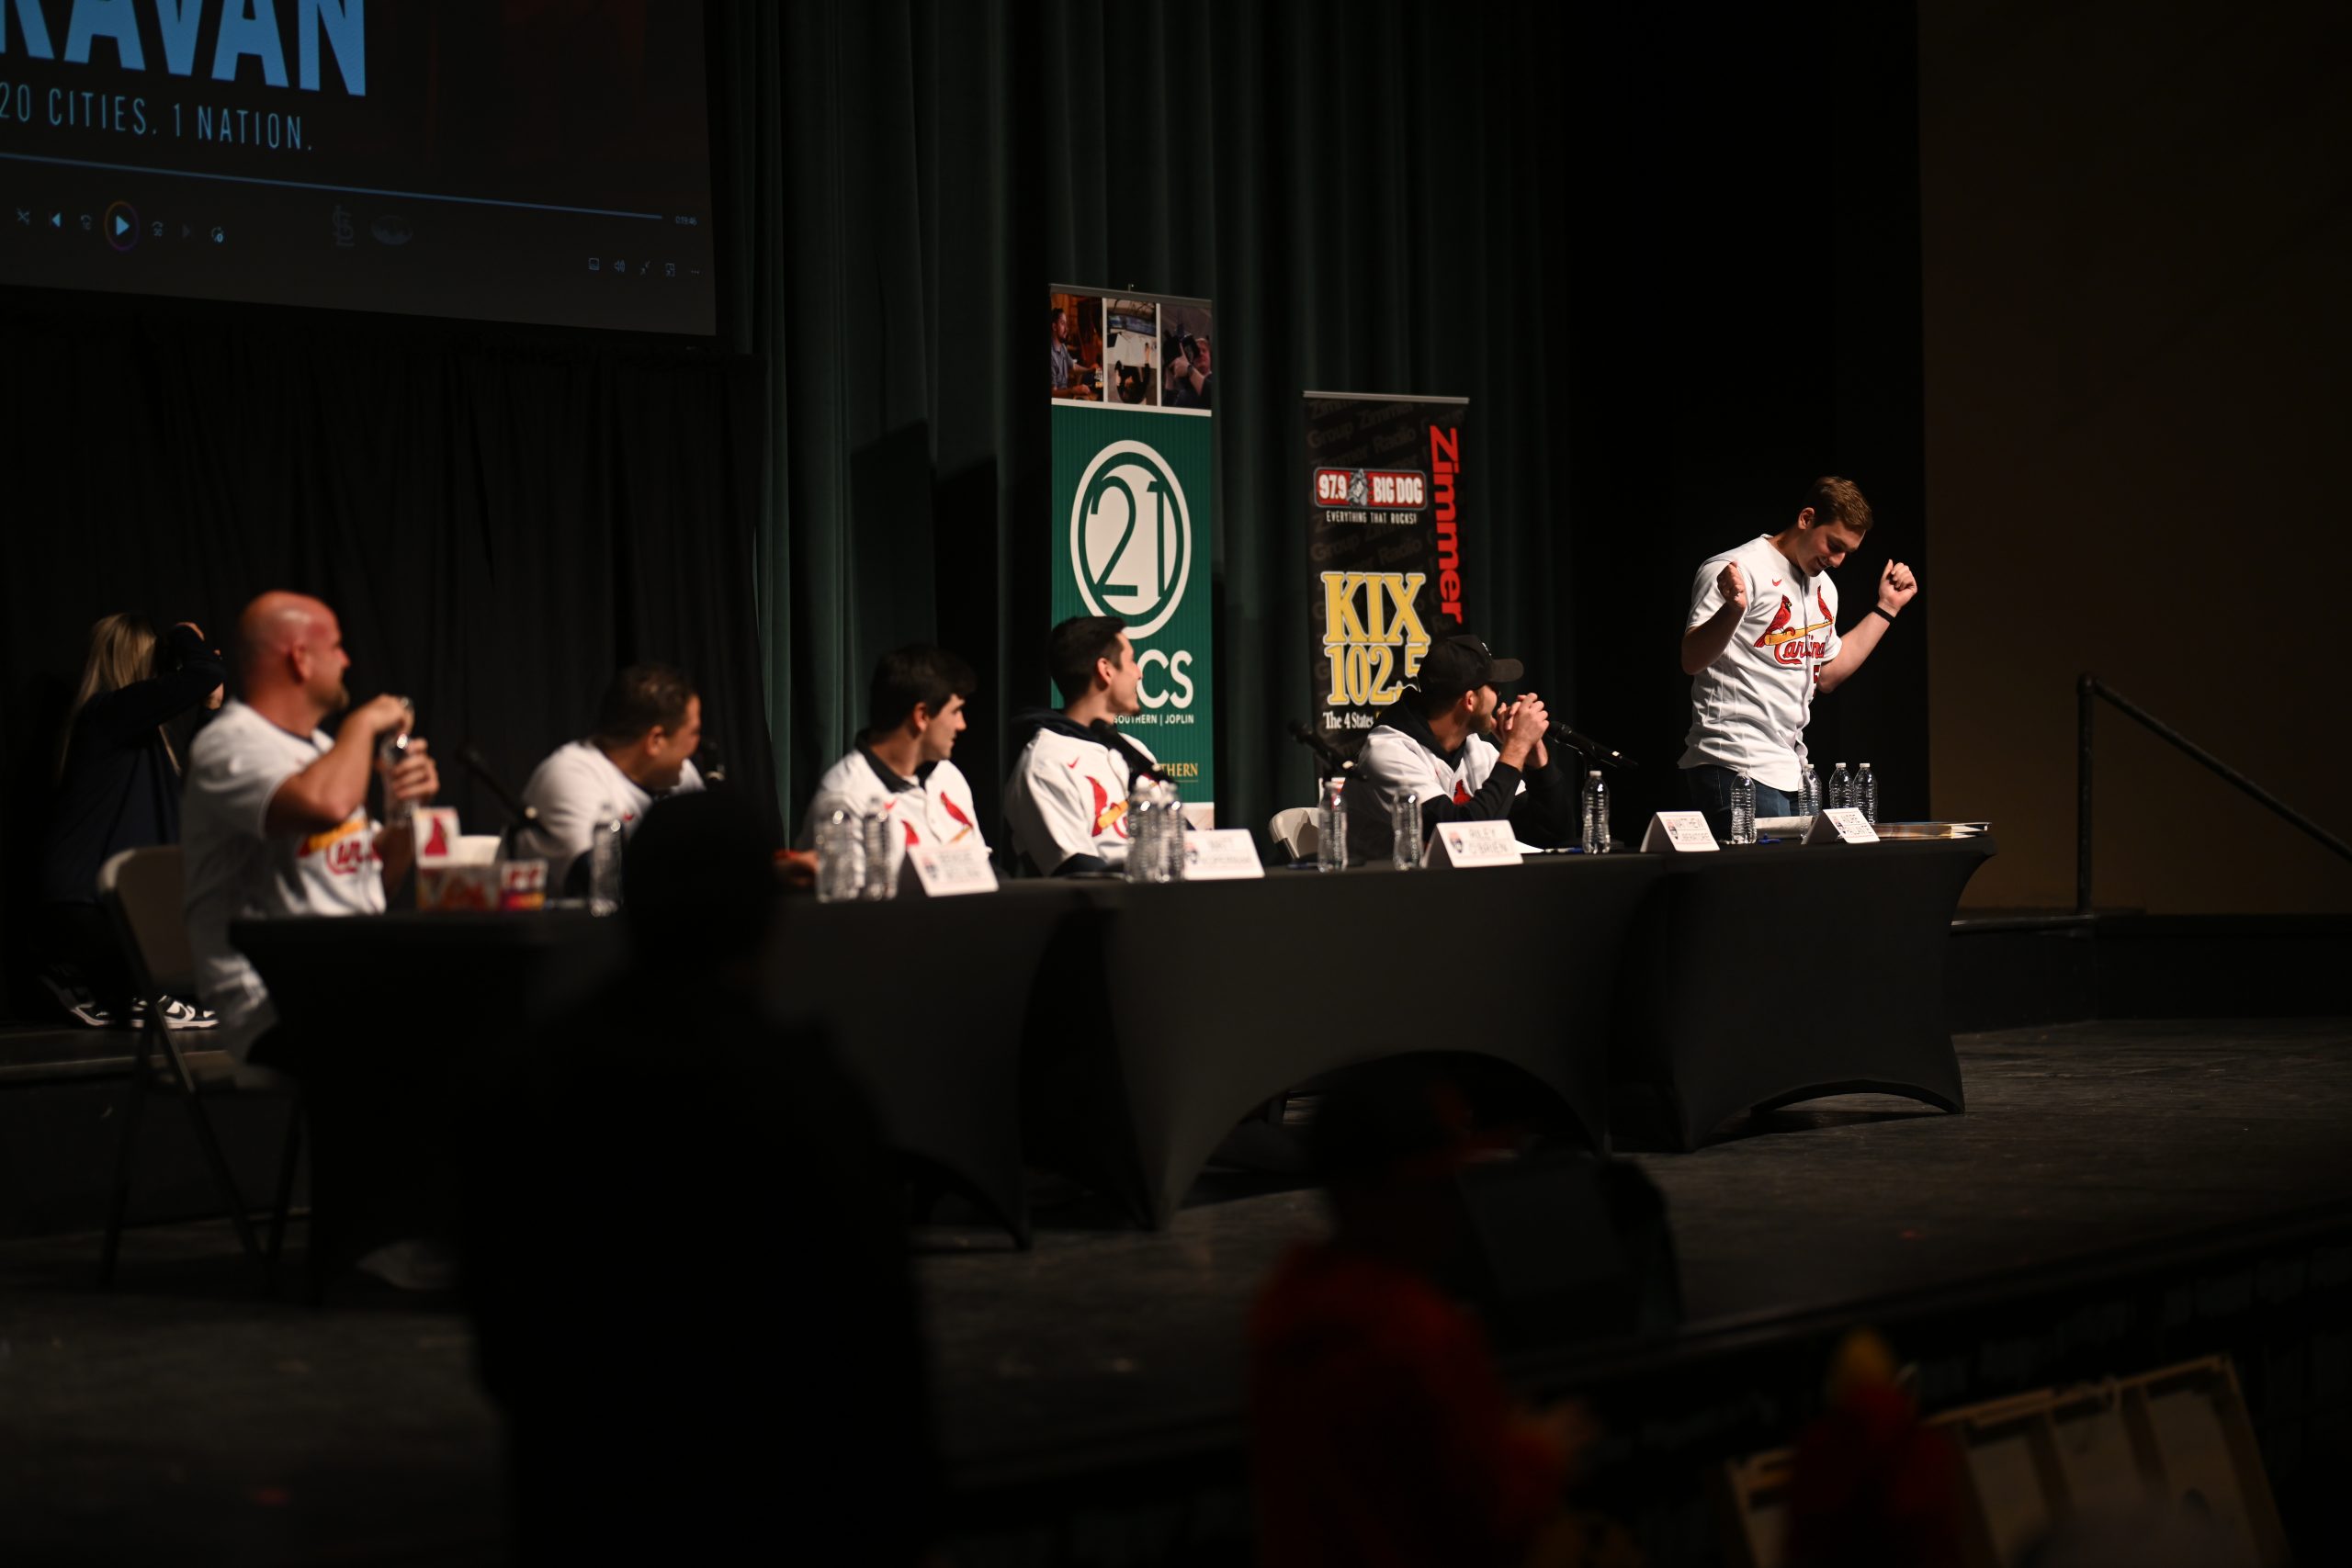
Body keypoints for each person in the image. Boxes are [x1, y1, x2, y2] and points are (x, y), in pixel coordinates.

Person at [463, 791, 936, 1563]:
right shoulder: (807, 1095)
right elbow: (878, 1343)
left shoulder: (535, 1078)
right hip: (782, 1501)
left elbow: (501, 1324)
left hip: (583, 1496)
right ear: (770, 918)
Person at [1249, 1062, 1596, 1567]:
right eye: (1441, 1184)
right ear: (1380, 1195)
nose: (1458, 1204)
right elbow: (1484, 1520)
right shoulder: (1416, 1334)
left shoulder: (1287, 1305)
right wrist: (1542, 1454)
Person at [181, 592, 440, 1065]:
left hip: (347, 982)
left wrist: (405, 811)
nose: (346, 660)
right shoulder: (229, 744)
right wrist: (363, 723)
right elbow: (327, 805)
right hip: (273, 1003)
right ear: (300, 658)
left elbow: (377, 883)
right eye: (336, 647)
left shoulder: (323, 751)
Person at [1679, 475, 1919, 838]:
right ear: (1806, 518)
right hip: (1733, 763)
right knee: (1769, 875)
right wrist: (1732, 609)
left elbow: (1827, 676)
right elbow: (1691, 659)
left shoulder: (1824, 588)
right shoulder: (1736, 568)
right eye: (1833, 545)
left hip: (1790, 769)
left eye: (1847, 553)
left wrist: (1887, 607)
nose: (1838, 561)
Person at [38, 615, 228, 1028]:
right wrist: (184, 635)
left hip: (105, 909)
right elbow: (206, 671)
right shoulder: (107, 714)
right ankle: (111, 985)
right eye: (158, 660)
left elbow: (196, 787)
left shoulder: (135, 734)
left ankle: (99, 983)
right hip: (87, 909)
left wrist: (210, 709)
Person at [1344, 632, 1576, 863]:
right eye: (1493, 686)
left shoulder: (1478, 751)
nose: (1499, 695)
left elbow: (1552, 836)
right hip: (1382, 884)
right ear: (1470, 700)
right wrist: (1515, 747)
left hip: (1445, 883)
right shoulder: (1388, 753)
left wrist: (1536, 761)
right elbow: (1461, 838)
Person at [796, 645, 986, 880]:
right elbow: (848, 900)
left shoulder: (948, 776)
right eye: (956, 711)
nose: (962, 725)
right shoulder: (846, 799)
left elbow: (982, 867)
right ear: (922, 716)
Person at [514, 663, 705, 881]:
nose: (697, 745)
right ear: (656, 740)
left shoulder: (680, 774)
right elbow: (602, 883)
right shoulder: (570, 777)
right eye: (694, 732)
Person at [1003, 615, 1159, 875]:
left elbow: (1184, 842)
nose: (1139, 673)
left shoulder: (1134, 750)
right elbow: (1078, 873)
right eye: (1132, 660)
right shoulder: (1045, 764)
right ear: (1106, 670)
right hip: (1116, 901)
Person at [1166, 330, 1213, 410]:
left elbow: (1216, 398)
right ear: (1192, 359)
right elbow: (1168, 415)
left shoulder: (1219, 382)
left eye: (1204, 350)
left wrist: (1189, 369)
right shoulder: (1184, 394)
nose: (1200, 353)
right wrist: (1170, 376)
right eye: (1197, 351)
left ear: (1210, 356)